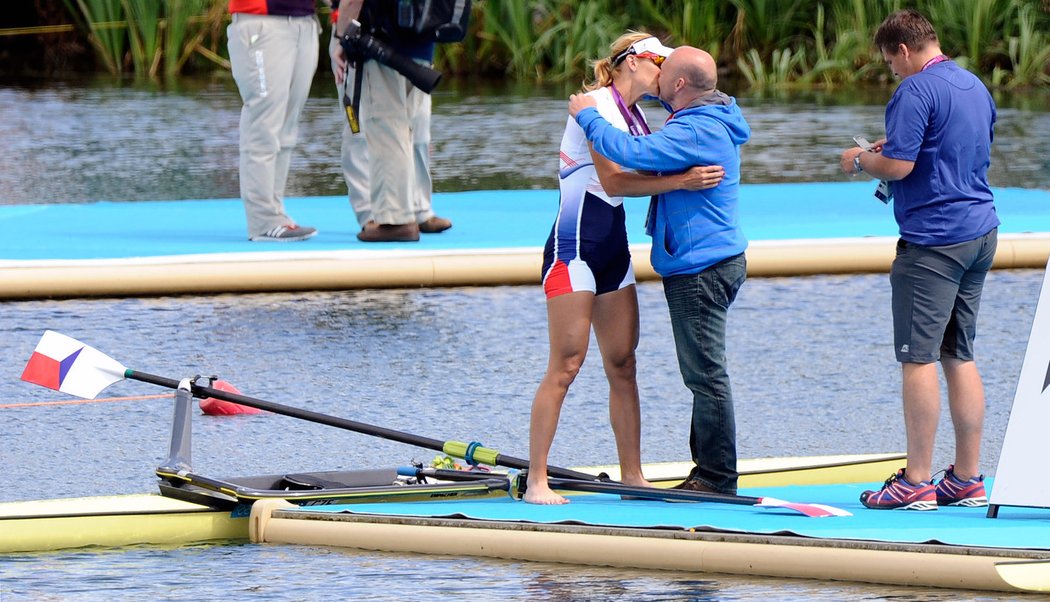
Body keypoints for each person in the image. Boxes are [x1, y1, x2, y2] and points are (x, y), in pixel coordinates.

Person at [525, 34, 728, 505]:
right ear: (635, 63)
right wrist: (684, 181)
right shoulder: (592, 105)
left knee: (623, 363)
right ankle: (537, 480)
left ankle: (632, 476)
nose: (668, 71)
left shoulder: (636, 116)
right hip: (573, 248)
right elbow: (615, 178)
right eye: (662, 62)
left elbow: (648, 170)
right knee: (567, 364)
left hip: (614, 250)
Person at [568, 45, 750, 496]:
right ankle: (706, 470)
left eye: (666, 72)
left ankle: (716, 477)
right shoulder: (711, 114)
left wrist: (586, 114)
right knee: (702, 372)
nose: (660, 77)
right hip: (712, 261)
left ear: (682, 86)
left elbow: (627, 150)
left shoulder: (695, 130)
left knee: (705, 375)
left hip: (700, 269)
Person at [839, 9, 998, 511]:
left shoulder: (913, 90)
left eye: (890, 63)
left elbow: (901, 166)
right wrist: (900, 147)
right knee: (960, 353)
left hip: (933, 241)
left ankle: (916, 481)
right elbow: (956, 147)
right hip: (981, 231)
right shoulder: (974, 84)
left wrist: (861, 160)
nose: (892, 71)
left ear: (903, 51)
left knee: (917, 357)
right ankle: (968, 478)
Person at [329, 0, 452, 242]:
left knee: (385, 129)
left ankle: (395, 218)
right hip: (420, 39)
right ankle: (413, 209)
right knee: (412, 129)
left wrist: (342, 36)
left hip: (380, 42)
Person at [227, 0, 319, 242]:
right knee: (264, 124)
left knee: (287, 128)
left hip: (304, 22)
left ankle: (276, 215)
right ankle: (263, 221)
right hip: (262, 22)